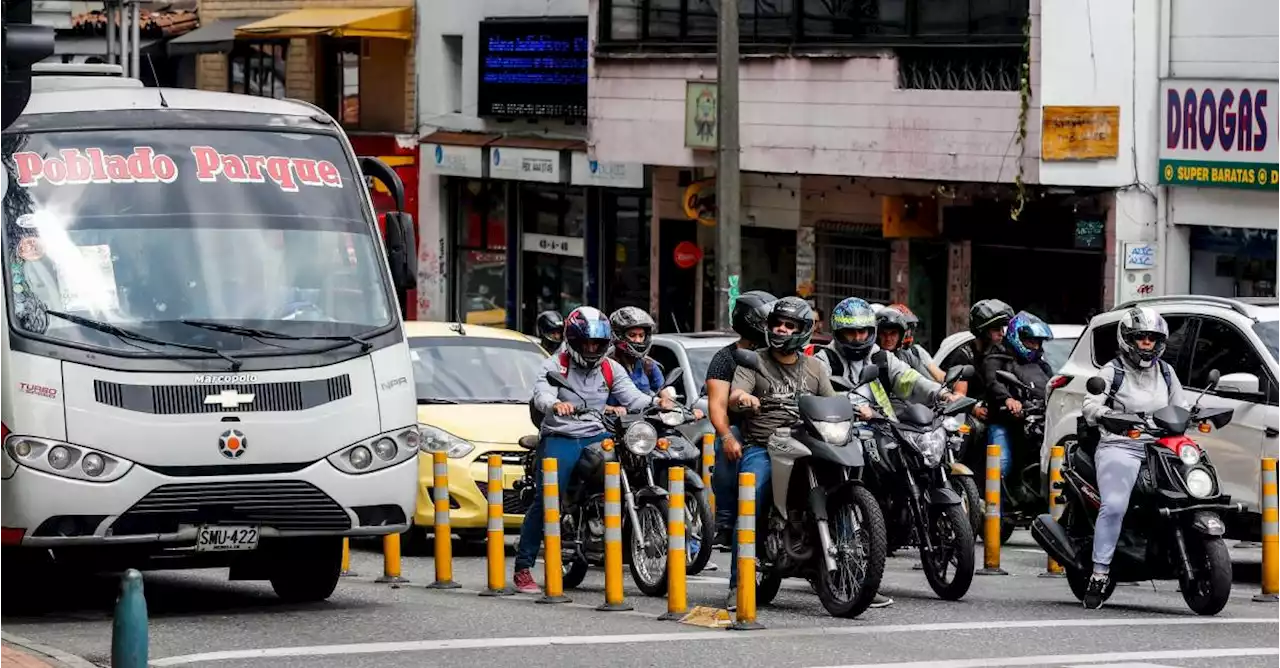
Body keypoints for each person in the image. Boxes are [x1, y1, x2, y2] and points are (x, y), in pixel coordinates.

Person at [514, 306, 675, 594]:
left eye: (596, 344)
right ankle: (523, 568)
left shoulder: (610, 368)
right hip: (562, 435)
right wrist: (555, 405)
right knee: (547, 498)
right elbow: (542, 394)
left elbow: (632, 396)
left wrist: (656, 402)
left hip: (597, 433)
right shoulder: (556, 365)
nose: (590, 349)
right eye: (585, 342)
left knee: (633, 461)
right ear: (573, 341)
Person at [725, 296, 838, 610]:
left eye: (790, 325)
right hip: (763, 445)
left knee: (842, 487)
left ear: (802, 331)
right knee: (751, 500)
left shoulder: (815, 367)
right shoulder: (754, 360)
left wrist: (856, 408)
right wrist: (744, 400)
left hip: (807, 445)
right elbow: (735, 394)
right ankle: (739, 582)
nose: (782, 330)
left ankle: (855, 578)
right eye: (777, 324)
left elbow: (830, 401)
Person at [1080, 307, 1186, 609]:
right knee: (1114, 506)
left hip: (1161, 446)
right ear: (1128, 339)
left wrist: (1197, 416)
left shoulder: (1166, 372)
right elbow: (1090, 405)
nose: (1147, 344)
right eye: (1141, 338)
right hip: (1121, 445)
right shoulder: (1112, 372)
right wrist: (1106, 415)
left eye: (1152, 339)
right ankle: (1099, 574)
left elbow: (1181, 406)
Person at [705, 290, 776, 548]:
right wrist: (725, 436)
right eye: (767, 321)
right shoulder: (725, 358)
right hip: (742, 429)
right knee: (729, 445)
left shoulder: (780, 353)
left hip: (779, 427)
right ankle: (725, 523)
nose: (775, 328)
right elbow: (718, 406)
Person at [980, 311, 1053, 478]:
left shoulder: (1041, 365)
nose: (1035, 346)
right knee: (1001, 466)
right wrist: (1008, 399)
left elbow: (1052, 385)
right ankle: (992, 503)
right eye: (1030, 341)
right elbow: (993, 381)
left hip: (1036, 423)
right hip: (1003, 422)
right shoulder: (997, 358)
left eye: (1037, 342)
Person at [943, 299, 1015, 421]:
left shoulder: (1001, 353)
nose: (1001, 334)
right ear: (983, 331)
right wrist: (973, 409)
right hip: (969, 417)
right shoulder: (964, 355)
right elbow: (959, 395)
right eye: (996, 330)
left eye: (1002, 329)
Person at [885, 303, 946, 383]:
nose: (888, 338)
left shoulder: (916, 352)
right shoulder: (875, 355)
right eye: (886, 332)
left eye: (893, 333)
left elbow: (939, 376)